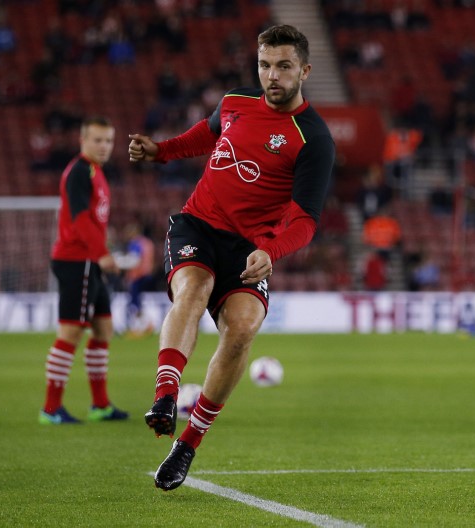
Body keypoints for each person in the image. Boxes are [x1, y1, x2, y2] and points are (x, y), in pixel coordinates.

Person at [128, 25, 335, 491]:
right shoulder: (235, 103)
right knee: (194, 289)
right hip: (197, 225)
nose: (272, 76)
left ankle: (187, 444)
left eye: (283, 66)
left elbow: (305, 221)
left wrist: (271, 249)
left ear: (304, 70)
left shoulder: (314, 139)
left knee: (242, 329)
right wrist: (160, 151)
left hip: (249, 248)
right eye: (264, 65)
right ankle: (165, 395)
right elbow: (201, 137)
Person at [41, 116, 129, 425]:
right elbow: (79, 221)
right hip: (76, 260)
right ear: (83, 141)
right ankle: (50, 409)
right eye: (97, 140)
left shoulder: (96, 173)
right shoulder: (79, 172)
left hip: (89, 261)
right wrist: (102, 253)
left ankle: (100, 405)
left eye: (108, 141)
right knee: (71, 330)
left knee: (103, 328)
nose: (104, 146)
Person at [119, 221, 156, 336]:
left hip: (138, 276)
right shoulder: (148, 243)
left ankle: (142, 326)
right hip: (148, 275)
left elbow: (134, 260)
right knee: (137, 302)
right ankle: (146, 325)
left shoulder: (135, 243)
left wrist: (119, 263)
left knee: (134, 303)